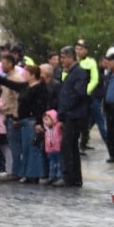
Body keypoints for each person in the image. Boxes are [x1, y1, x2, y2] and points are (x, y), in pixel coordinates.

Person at [0, 57, 51, 183]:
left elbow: (40, 107)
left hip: (32, 121)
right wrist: (0, 78)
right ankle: (26, 172)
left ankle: (33, 174)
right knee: (26, 148)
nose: (24, 75)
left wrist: (38, 122)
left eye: (26, 73)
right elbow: (13, 85)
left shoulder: (40, 88)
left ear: (32, 75)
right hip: (24, 120)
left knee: (32, 148)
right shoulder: (26, 86)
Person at [56, 46, 89, 187]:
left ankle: (70, 177)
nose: (61, 60)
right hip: (70, 114)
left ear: (71, 57)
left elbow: (78, 93)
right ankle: (74, 177)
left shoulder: (79, 72)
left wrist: (66, 109)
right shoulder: (71, 72)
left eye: (63, 57)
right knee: (71, 146)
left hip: (75, 115)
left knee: (68, 146)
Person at [75, 39, 102, 152]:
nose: (78, 51)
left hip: (86, 96)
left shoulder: (90, 62)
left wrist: (86, 91)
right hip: (74, 96)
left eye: (81, 49)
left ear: (86, 50)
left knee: (86, 120)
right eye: (77, 48)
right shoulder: (73, 61)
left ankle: (84, 143)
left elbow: (94, 79)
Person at [43, 108, 64, 186]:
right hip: (50, 150)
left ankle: (59, 176)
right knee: (52, 164)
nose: (45, 122)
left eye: (47, 119)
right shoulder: (47, 129)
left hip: (57, 149)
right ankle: (52, 176)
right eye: (44, 120)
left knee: (59, 164)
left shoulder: (57, 127)